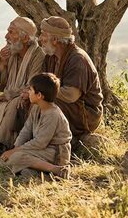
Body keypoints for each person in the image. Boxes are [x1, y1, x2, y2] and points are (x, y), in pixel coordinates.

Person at [0, 17, 45, 161]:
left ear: (25, 38)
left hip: (25, 101)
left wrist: (7, 96)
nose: (6, 36)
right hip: (9, 97)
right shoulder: (12, 52)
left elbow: (32, 85)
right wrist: (2, 65)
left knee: (13, 104)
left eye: (11, 32)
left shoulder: (38, 55)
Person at [39, 16, 104, 144]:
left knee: (44, 102)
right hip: (70, 107)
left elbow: (70, 95)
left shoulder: (77, 59)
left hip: (85, 113)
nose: (40, 38)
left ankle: (52, 145)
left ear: (55, 40)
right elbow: (41, 82)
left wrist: (41, 92)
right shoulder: (50, 57)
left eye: (43, 35)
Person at [0, 73, 72, 178]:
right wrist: (15, 148)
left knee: (17, 157)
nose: (28, 92)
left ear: (39, 95)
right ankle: (34, 172)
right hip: (41, 150)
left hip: (56, 153)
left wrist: (15, 151)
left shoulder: (53, 114)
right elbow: (26, 130)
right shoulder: (36, 108)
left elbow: (40, 142)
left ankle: (56, 169)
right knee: (5, 160)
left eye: (30, 90)